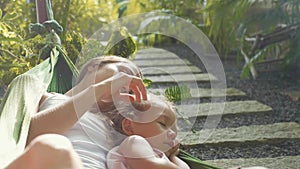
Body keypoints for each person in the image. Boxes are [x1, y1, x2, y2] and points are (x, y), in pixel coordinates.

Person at [6, 55, 147, 169]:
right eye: (123, 73)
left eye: (130, 90)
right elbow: (25, 137)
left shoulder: (117, 127)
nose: (126, 84)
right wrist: (98, 90)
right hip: (52, 160)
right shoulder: (46, 98)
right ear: (95, 66)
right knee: (53, 146)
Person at [103, 96, 190, 169]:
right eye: (163, 124)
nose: (174, 134)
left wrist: (172, 156)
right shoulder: (133, 142)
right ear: (129, 126)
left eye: (174, 130)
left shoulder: (158, 157)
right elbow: (151, 165)